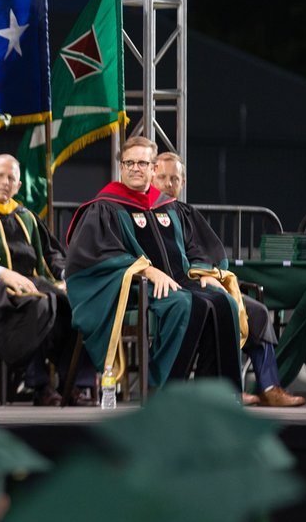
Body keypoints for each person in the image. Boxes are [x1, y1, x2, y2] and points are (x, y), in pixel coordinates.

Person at [65, 135, 242, 391]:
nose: (135, 168)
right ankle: (163, 389)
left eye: (142, 163)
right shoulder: (105, 208)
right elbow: (97, 255)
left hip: (181, 281)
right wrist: (147, 270)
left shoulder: (170, 207)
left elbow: (197, 244)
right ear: (121, 166)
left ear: (153, 167)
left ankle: (215, 393)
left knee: (223, 300)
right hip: (136, 289)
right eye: (129, 163)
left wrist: (206, 271)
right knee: (182, 304)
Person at [153, 151, 304, 407]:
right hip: (172, 289)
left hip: (203, 282)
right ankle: (225, 390)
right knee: (220, 308)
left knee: (256, 311)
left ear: (183, 183)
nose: (168, 184)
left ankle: (269, 387)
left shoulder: (188, 214)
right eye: (163, 177)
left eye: (174, 179)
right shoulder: (146, 215)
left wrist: (205, 273)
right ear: (152, 177)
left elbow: (210, 251)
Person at [0, 154, 75, 406]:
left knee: (72, 302)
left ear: (18, 186)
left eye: (11, 177)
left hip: (33, 285)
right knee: (36, 305)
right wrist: (2, 273)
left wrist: (67, 277)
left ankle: (72, 385)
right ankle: (39, 384)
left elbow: (52, 254)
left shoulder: (27, 216)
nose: (5, 182)